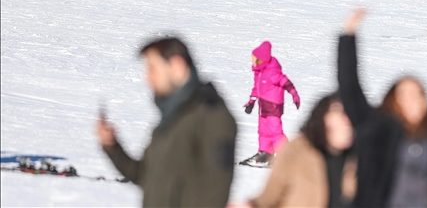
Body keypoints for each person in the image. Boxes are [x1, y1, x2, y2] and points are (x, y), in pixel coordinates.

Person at [338, 8, 427, 207]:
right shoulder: (376, 129)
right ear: (392, 100)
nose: (411, 100)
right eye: (403, 95)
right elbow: (350, 89)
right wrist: (348, 35)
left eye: (417, 94)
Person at [95, 37, 237, 207]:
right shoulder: (172, 117)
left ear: (177, 66)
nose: (147, 78)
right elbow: (144, 175)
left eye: (153, 69)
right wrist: (112, 146)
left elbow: (216, 191)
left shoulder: (212, 115)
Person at [239, 93, 357, 208]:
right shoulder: (297, 151)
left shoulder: (361, 155)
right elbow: (269, 197)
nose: (346, 120)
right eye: (339, 113)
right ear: (323, 119)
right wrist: (250, 205)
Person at [242, 41, 301, 166]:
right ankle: (265, 153)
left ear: (261, 60)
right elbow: (256, 89)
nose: (252, 61)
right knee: (263, 131)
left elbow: (286, 83)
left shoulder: (272, 72)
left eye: (254, 59)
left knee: (276, 132)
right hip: (263, 107)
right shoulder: (259, 73)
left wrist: (294, 95)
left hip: (273, 107)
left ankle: (285, 156)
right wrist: (251, 102)